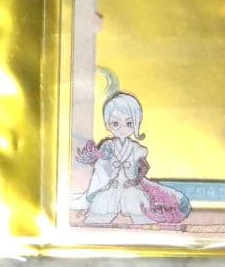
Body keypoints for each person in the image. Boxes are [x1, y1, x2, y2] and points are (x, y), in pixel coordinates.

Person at [72, 92, 190, 225]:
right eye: (115, 123)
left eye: (129, 123)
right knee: (101, 210)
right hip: (112, 187)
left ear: (136, 124)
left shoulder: (136, 148)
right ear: (107, 125)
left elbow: (145, 166)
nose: (122, 128)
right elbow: (101, 165)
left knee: (139, 210)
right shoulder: (108, 145)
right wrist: (97, 161)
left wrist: (136, 180)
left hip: (130, 188)